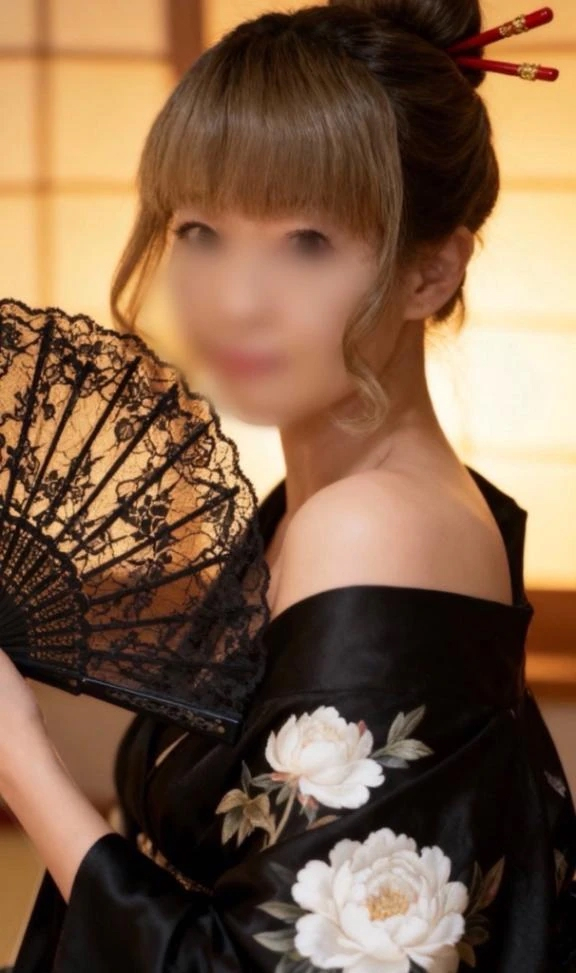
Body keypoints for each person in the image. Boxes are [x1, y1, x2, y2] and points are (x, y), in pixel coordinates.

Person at [0, 0, 575, 970]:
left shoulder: (376, 528)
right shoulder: (313, 506)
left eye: (306, 243)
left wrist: (21, 760)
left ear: (431, 271)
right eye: (200, 230)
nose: (235, 298)